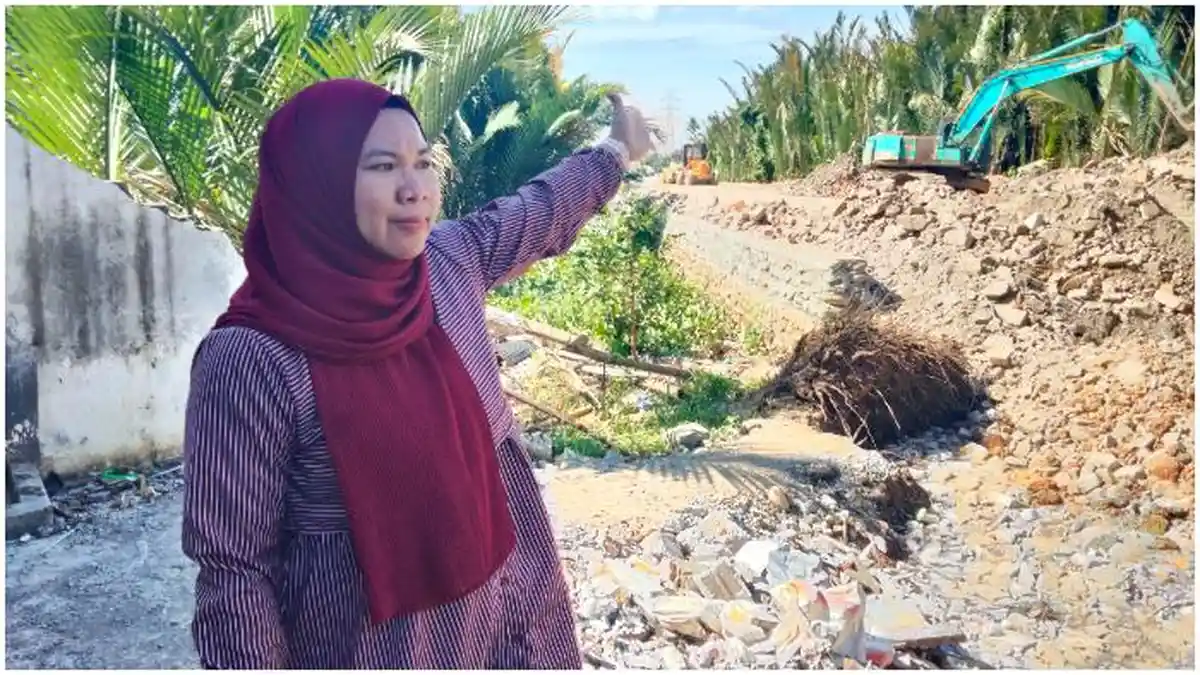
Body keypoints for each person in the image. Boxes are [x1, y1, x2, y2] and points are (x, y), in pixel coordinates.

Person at [181, 78, 652, 669]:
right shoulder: (253, 358)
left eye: (423, 163)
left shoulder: (447, 266)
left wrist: (616, 151)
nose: (415, 190)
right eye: (382, 166)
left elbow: (539, 209)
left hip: (513, 626)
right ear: (314, 183)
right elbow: (235, 575)